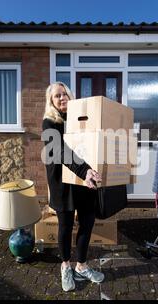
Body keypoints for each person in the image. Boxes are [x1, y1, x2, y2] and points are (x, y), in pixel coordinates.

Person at [42, 82, 105, 292]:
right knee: (66, 226)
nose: (62, 98)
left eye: (65, 94)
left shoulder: (81, 119)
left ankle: (81, 265)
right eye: (57, 96)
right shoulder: (49, 123)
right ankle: (66, 265)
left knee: (87, 222)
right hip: (63, 183)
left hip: (83, 181)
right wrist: (85, 170)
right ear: (51, 101)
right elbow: (60, 150)